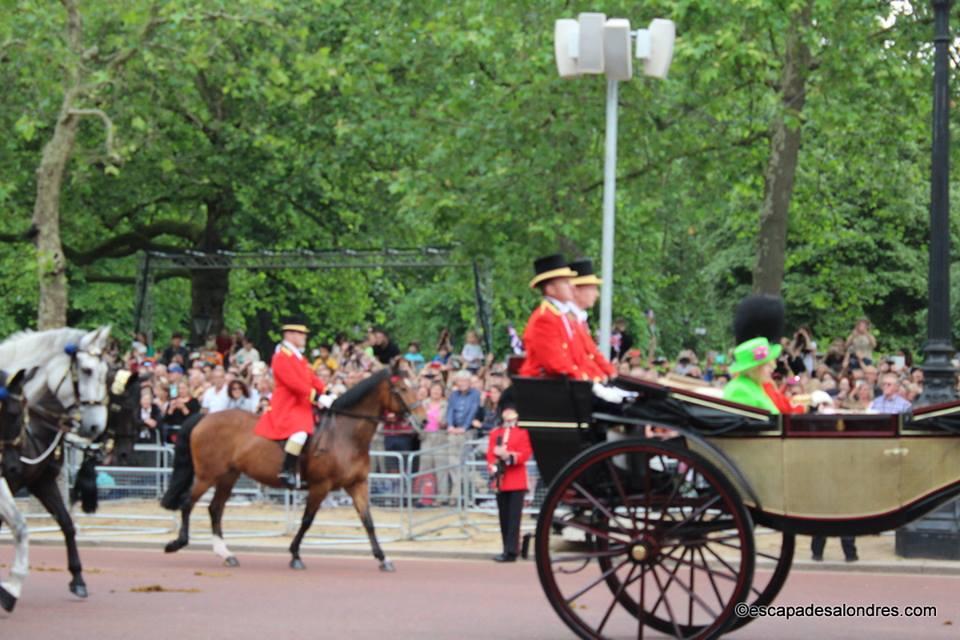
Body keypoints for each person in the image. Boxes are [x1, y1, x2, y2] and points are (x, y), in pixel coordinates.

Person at [253, 319, 327, 489]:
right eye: (301, 334)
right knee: (299, 433)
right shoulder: (281, 356)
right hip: (288, 404)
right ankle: (286, 470)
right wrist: (317, 396)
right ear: (290, 335)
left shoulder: (297, 356)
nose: (304, 337)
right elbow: (294, 383)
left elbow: (310, 377)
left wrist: (326, 391)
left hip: (301, 403)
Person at [518, 254, 589, 380]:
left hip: (563, 383)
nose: (572, 286)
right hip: (545, 386)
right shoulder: (544, 318)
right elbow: (556, 364)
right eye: (565, 283)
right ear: (551, 289)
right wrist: (586, 380)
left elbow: (578, 356)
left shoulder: (562, 315)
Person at [486, 407, 532, 562]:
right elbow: (490, 455)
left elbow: (525, 454)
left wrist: (509, 456)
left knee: (514, 518)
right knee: (504, 517)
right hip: (500, 480)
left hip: (516, 480)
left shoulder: (523, 433)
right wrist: (493, 467)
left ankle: (511, 551)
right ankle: (507, 548)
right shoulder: (495, 433)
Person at [568, 258, 616, 381]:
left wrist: (609, 372)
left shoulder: (579, 319)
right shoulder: (567, 318)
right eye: (592, 288)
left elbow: (592, 353)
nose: (597, 294)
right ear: (576, 290)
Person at [722, 337, 780, 413]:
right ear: (753, 369)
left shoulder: (754, 384)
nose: (773, 368)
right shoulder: (740, 390)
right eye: (767, 364)